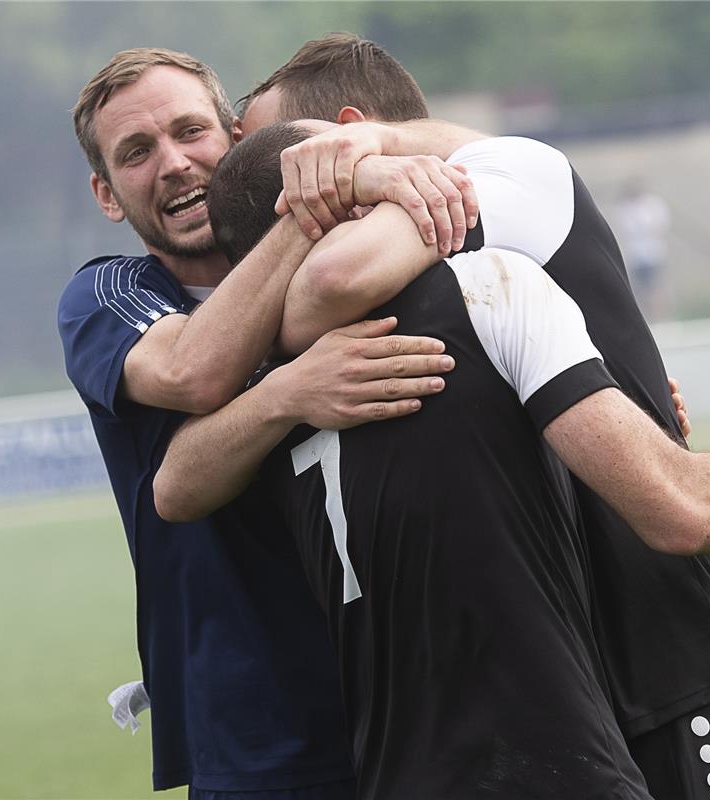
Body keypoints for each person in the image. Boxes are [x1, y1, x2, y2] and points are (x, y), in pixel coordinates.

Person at [224, 33, 710, 798]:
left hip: (661, 659)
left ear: (352, 130)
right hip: (545, 695)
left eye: (294, 174)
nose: (279, 213)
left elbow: (333, 278)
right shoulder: (399, 301)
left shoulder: (507, 172)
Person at [58, 47, 484, 798]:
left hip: (426, 704)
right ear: (106, 193)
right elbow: (194, 373)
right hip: (264, 743)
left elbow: (507, 165)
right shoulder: (109, 295)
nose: (174, 164)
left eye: (191, 133)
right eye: (136, 153)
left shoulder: (349, 256)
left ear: (232, 136)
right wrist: (290, 384)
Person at [615, 181, 672, 318]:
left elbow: (660, 227)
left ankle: (662, 317)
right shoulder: (624, 209)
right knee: (640, 291)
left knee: (656, 288)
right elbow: (625, 230)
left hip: (653, 254)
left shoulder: (653, 205)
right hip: (636, 257)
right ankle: (648, 317)